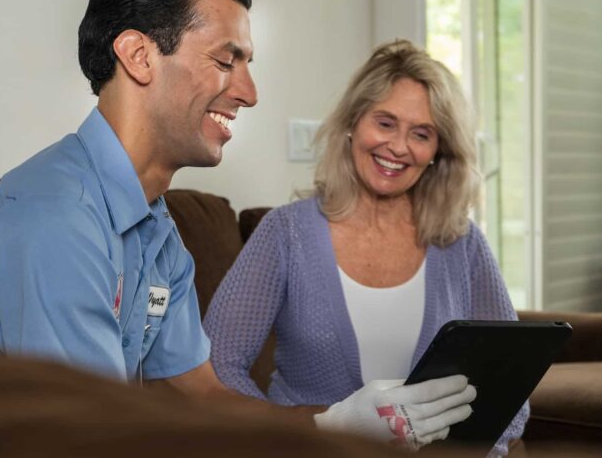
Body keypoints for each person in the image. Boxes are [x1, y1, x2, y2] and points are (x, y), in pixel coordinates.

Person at [0, 0, 475, 446]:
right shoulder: (56, 219)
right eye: (225, 60)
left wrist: (332, 427)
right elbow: (96, 437)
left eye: (247, 65)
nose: (249, 93)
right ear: (139, 56)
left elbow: (205, 395)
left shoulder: (158, 234)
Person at [203, 40, 526, 456]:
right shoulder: (285, 233)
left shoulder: (462, 243)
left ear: (437, 152)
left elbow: (511, 383)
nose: (398, 147)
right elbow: (216, 367)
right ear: (353, 123)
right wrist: (288, 437)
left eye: (421, 134)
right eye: (386, 123)